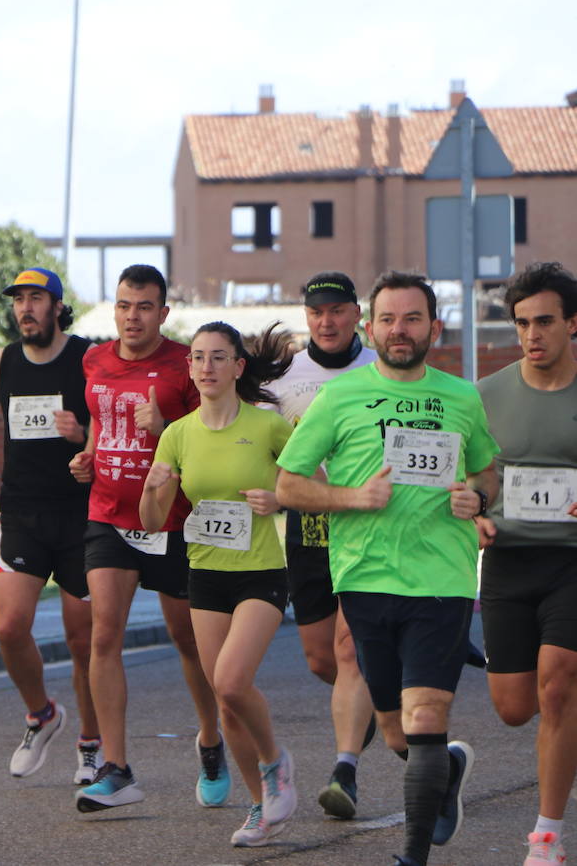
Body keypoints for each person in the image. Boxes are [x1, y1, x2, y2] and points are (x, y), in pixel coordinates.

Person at [276, 271, 499, 866]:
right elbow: (288, 485)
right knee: (399, 732)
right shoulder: (340, 398)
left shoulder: (462, 396)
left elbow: (487, 472)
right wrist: (353, 499)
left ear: (435, 327)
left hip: (443, 579)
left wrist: (478, 498)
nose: (400, 331)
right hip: (364, 577)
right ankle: (446, 766)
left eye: (413, 319)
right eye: (390, 320)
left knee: (427, 714)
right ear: (370, 328)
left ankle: (411, 858)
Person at [69, 265, 223, 812]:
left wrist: (164, 431)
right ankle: (116, 766)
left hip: (174, 522)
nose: (132, 317)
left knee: (188, 641)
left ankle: (210, 737)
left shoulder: (185, 365)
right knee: (102, 635)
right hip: (109, 515)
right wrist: (87, 454)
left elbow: (209, 438)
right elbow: (99, 424)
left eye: (144, 307)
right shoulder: (95, 360)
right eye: (123, 306)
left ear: (163, 312)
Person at [139, 321, 298, 847]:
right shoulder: (177, 433)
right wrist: (155, 487)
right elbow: (153, 514)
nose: (206, 367)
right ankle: (261, 806)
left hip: (260, 573)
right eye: (198, 358)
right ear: (190, 367)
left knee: (231, 681)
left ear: (237, 367)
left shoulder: (269, 427)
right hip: (205, 575)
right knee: (225, 701)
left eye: (217, 357)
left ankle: (277, 763)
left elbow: (312, 485)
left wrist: (279, 498)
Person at [0, 267, 100, 783]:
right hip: (21, 512)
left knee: (82, 640)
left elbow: (109, 420)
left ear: (57, 306)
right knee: (8, 626)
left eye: (36, 298)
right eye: (19, 299)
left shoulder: (87, 358)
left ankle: (91, 743)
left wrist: (83, 434)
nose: (25, 307)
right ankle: (42, 713)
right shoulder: (1, 362)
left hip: (82, 516)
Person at [264, 272, 378, 819]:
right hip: (307, 528)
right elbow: (260, 445)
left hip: (367, 526)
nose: (326, 321)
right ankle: (363, 700)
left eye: (337, 310)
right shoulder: (283, 374)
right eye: (316, 312)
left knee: (348, 649)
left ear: (357, 314)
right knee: (319, 660)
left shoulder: (380, 369)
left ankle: (345, 769)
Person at [474, 262, 577, 866]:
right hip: (510, 560)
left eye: (543, 322)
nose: (531, 335)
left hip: (572, 559)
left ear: (572, 323)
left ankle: (546, 834)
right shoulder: (485, 397)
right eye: (520, 324)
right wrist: (476, 511)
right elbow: (470, 480)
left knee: (558, 680)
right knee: (515, 707)